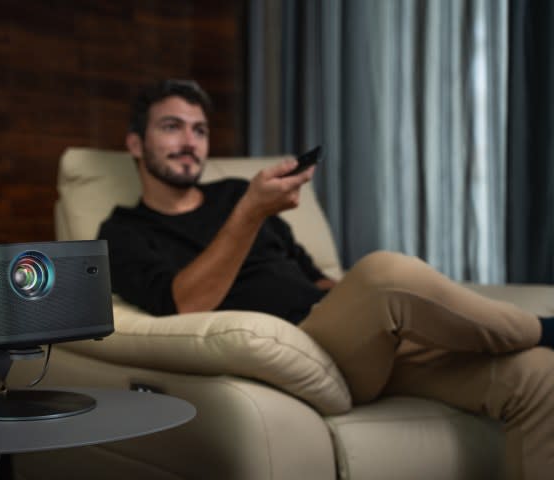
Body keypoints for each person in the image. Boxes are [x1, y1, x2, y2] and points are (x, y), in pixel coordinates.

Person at [97, 79, 554, 480]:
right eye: (171, 126)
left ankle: (527, 339)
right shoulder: (123, 232)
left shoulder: (235, 192)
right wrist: (251, 213)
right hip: (304, 352)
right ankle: (541, 327)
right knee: (383, 272)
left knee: (539, 376)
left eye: (199, 130)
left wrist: (376, 307)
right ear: (136, 144)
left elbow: (315, 280)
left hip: (353, 336)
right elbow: (186, 306)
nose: (190, 141)